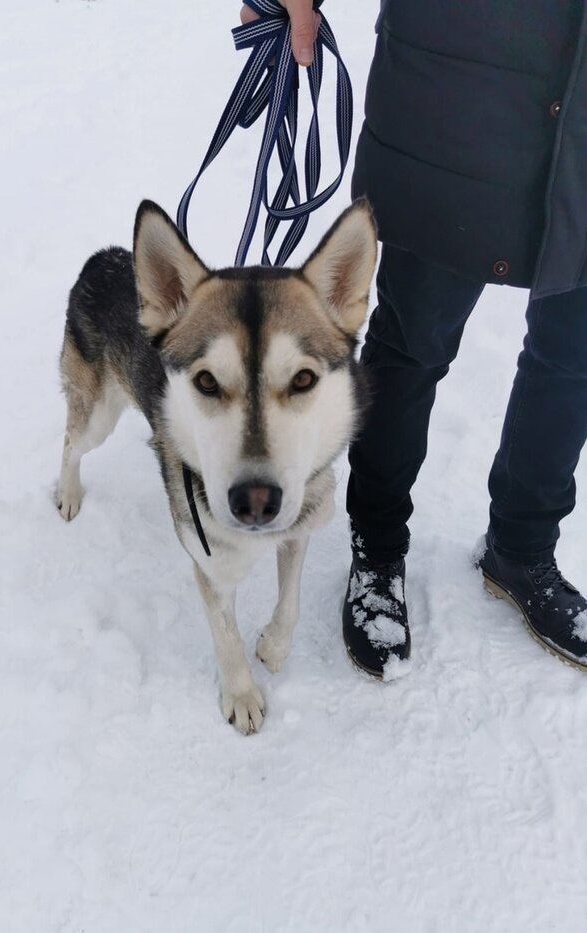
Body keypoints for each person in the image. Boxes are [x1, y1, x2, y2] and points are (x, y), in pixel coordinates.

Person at [240, 0, 587, 676]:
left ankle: (522, 547)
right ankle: (376, 545)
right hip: (461, 95)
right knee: (412, 342)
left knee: (574, 355)